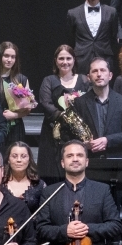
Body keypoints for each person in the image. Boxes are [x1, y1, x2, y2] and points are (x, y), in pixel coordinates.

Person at [34, 141, 122, 245]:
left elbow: (115, 226)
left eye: (80, 155)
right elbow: (40, 228)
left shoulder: (102, 190)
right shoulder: (49, 192)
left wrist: (87, 229)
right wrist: (64, 231)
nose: (75, 159)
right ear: (62, 162)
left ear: (87, 161)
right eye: (70, 156)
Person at [38, 45, 91, 180]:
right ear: (56, 60)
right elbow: (45, 103)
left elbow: (90, 103)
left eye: (68, 58)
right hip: (53, 135)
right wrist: (64, 117)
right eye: (61, 58)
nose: (65, 62)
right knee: (52, 173)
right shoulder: (49, 80)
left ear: (74, 60)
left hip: (77, 134)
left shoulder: (84, 80)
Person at [2, 141, 46, 245]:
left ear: (29, 159)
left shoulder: (40, 185)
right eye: (15, 156)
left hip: (31, 241)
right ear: (8, 159)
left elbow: (44, 214)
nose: (19, 160)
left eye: (23, 156)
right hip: (4, 239)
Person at [72, 57, 122, 158]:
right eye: (94, 71)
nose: (99, 74)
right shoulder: (79, 103)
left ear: (110, 75)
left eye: (102, 70)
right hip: (89, 161)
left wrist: (107, 140)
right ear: (89, 77)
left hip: (115, 162)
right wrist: (84, 144)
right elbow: (71, 135)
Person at [69, 0, 120, 74]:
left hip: (105, 58)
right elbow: (70, 39)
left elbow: (114, 37)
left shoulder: (111, 12)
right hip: (81, 60)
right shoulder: (73, 13)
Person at [0, 41, 33, 147]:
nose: (9, 60)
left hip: (15, 129)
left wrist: (15, 115)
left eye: (13, 57)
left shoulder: (22, 79)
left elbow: (28, 109)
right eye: (6, 56)